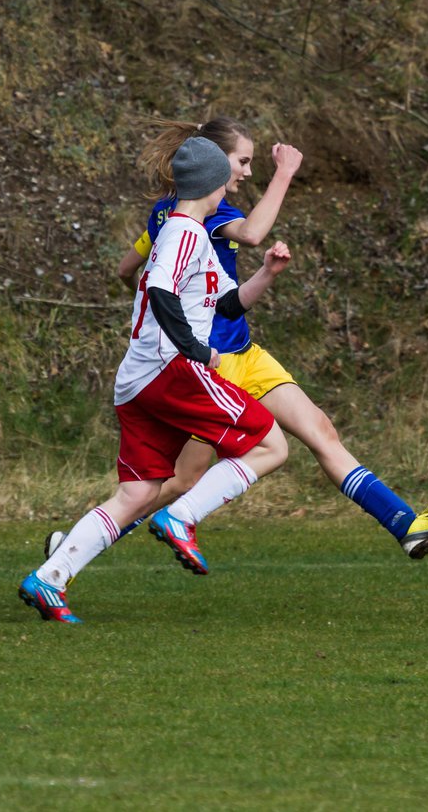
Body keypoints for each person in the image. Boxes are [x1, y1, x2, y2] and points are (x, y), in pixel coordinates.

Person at [44, 117, 428, 576]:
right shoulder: (210, 213)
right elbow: (252, 234)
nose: (247, 172)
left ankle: (406, 525)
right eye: (243, 161)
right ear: (213, 162)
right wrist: (285, 171)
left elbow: (129, 267)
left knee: (320, 431)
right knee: (178, 483)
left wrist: (149, 299)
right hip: (211, 365)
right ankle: (72, 549)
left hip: (243, 351)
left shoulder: (165, 213)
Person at [19, 137, 292, 623]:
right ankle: (182, 517)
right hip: (170, 370)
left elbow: (226, 304)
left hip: (140, 380)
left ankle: (49, 578)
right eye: (230, 172)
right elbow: (162, 288)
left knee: (139, 494)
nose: (237, 178)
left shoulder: (194, 233)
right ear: (212, 182)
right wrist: (193, 350)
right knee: (270, 445)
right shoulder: (183, 233)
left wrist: (267, 275)